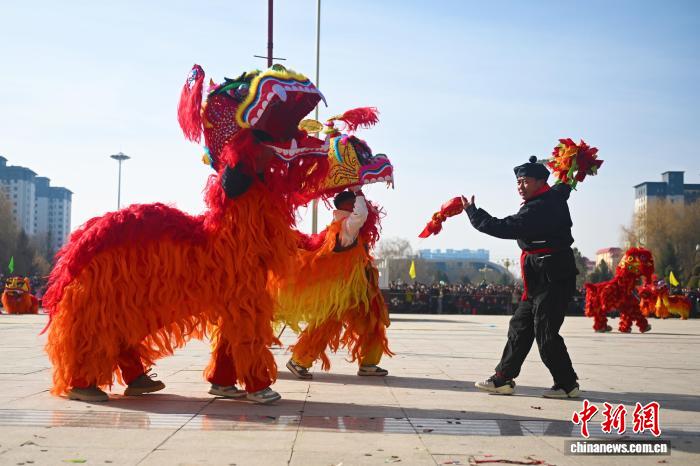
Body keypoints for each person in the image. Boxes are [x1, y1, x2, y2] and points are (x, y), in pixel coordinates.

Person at [462, 156, 580, 398]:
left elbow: (504, 227)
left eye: (525, 181)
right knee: (520, 326)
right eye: (518, 182)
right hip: (537, 278)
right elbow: (564, 186)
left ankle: (567, 385)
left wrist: (473, 213)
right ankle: (503, 379)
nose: (520, 186)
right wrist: (569, 169)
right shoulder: (553, 195)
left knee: (545, 331)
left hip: (553, 276)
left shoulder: (539, 207)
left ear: (540, 182)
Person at [281, 190, 392, 378]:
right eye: (356, 202)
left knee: (372, 323)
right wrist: (357, 189)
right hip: (340, 293)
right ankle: (299, 361)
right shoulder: (346, 227)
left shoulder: (348, 228)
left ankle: (368, 363)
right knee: (325, 325)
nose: (363, 203)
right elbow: (361, 214)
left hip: (359, 290)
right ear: (348, 207)